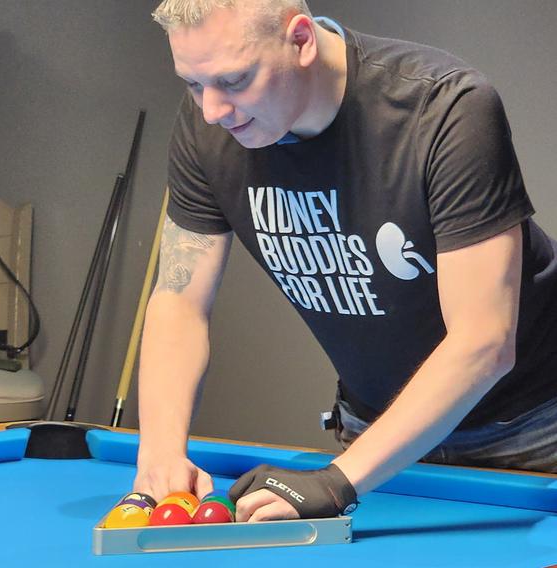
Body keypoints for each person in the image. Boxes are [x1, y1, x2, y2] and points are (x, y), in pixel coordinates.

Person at [134, 0, 557, 522]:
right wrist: (159, 452)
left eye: (236, 79)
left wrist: (337, 483)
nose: (213, 110)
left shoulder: (444, 106)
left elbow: (484, 341)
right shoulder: (210, 126)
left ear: (301, 40)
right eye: (194, 84)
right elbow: (179, 300)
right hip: (377, 429)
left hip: (534, 429)